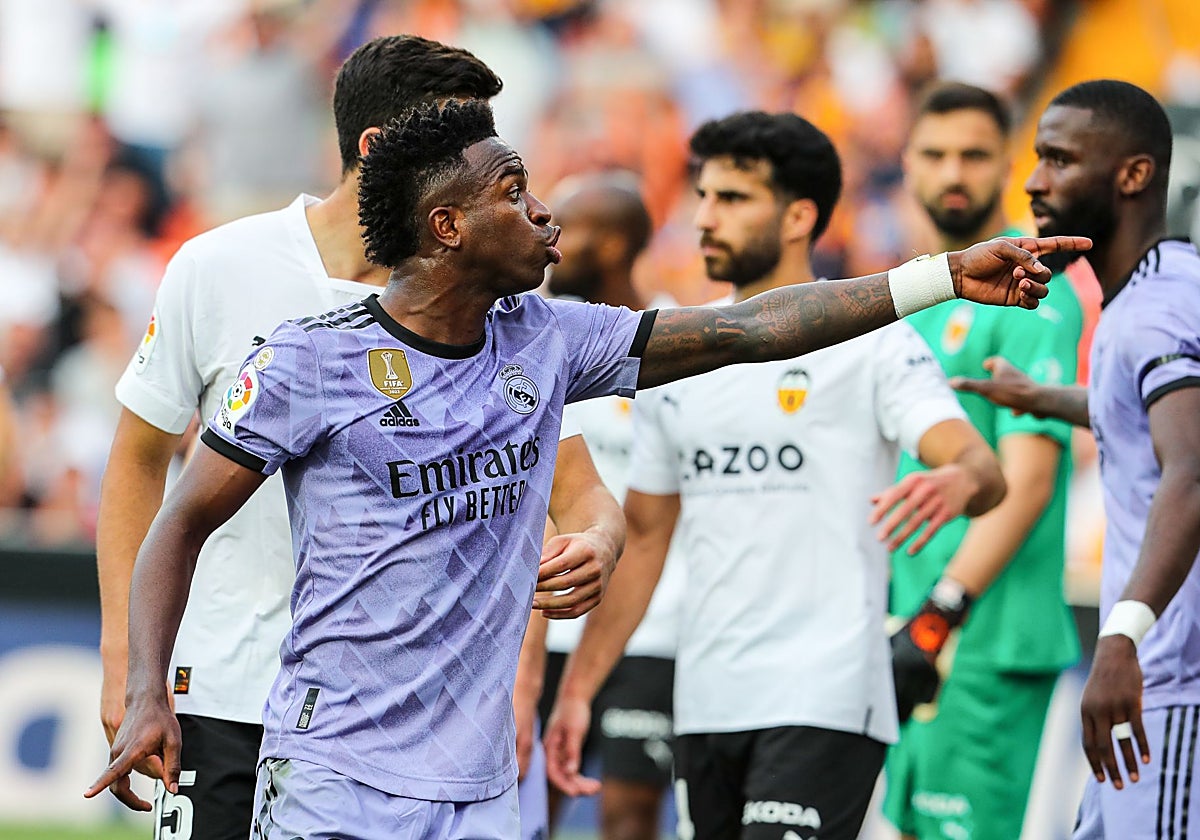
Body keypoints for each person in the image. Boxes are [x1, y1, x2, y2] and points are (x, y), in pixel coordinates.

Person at [87, 98, 1084, 836]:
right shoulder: (310, 358)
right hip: (332, 778)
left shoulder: (546, 340)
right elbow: (179, 520)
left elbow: (749, 328)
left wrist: (939, 277)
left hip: (478, 793)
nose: (549, 218)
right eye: (517, 197)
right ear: (448, 228)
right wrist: (143, 692)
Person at [93, 35, 621, 840]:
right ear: (381, 152)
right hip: (227, 688)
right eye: (455, 145)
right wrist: (128, 668)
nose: (481, 168)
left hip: (414, 728)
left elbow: (574, 491)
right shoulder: (220, 267)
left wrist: (598, 541)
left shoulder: (486, 305)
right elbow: (140, 464)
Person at [541, 109, 1012, 840]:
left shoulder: (874, 345)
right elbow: (645, 538)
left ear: (799, 216)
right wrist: (579, 693)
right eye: (702, 196)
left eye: (731, 199)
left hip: (825, 698)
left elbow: (982, 467)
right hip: (707, 700)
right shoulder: (681, 357)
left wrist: (959, 482)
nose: (704, 218)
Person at [949, 79, 1200, 839]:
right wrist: (1047, 399)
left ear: (1133, 175)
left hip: (1167, 680)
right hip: (1150, 683)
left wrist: (1122, 636)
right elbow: (1149, 417)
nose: (1033, 180)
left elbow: (1191, 470)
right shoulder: (1164, 286)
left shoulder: (1155, 311)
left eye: (1059, 159)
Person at [882, 81, 1085, 840]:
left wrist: (938, 617)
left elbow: (1027, 483)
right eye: (935, 154)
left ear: (1009, 164)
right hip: (916, 631)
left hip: (978, 636)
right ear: (906, 164)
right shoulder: (918, 292)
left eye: (974, 154)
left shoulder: (1028, 292)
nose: (953, 172)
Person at [539, 172, 684, 839]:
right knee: (527, 805)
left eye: (573, 229)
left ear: (619, 242)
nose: (551, 241)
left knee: (628, 817)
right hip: (546, 622)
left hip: (650, 629)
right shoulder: (530, 341)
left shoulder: (678, 341)